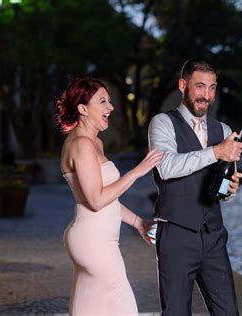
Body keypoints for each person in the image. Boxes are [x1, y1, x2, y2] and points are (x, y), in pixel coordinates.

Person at [55, 77, 163, 316]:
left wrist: (139, 223)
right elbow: (96, 200)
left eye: (110, 101)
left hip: (93, 238)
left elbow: (106, 199)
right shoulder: (81, 144)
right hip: (94, 243)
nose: (110, 107)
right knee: (123, 308)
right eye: (102, 101)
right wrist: (137, 171)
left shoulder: (94, 142)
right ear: (83, 109)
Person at [148, 59, 242, 316]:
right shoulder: (162, 123)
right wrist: (216, 151)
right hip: (177, 235)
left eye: (212, 88)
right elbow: (166, 167)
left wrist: (230, 189)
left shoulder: (222, 130)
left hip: (214, 236)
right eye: (200, 87)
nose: (207, 95)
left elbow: (222, 189)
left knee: (228, 312)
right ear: (183, 85)